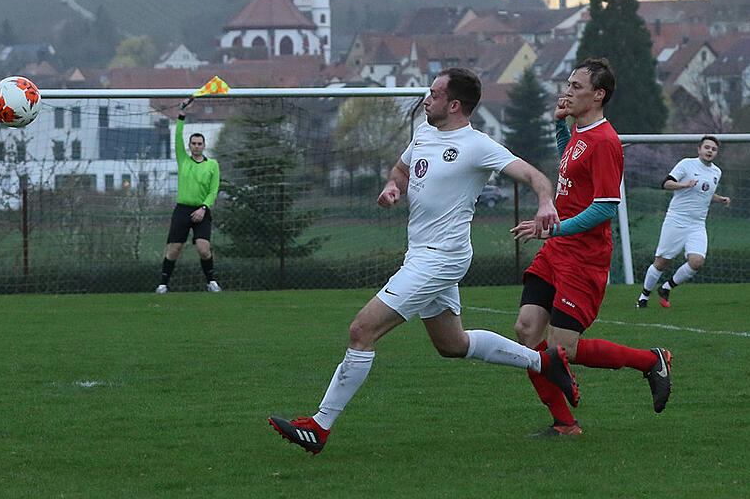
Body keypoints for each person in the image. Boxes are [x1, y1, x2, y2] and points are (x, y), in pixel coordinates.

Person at [268, 67, 577, 455]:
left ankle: (319, 426)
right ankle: (543, 362)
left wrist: (546, 202)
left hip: (441, 258)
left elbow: (536, 176)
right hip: (421, 253)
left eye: (433, 94)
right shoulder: (424, 133)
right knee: (452, 344)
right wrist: (392, 186)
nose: (426, 99)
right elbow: (400, 169)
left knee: (362, 330)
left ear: (454, 104)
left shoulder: (477, 145)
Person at [511, 58, 672, 438]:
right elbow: (569, 163)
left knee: (561, 347)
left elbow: (603, 209)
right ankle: (565, 424)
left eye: (576, 87)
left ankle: (651, 360)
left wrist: (553, 229)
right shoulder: (580, 133)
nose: (567, 91)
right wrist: (557, 125)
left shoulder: (605, 142)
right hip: (558, 249)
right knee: (526, 332)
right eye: (567, 84)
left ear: (598, 95)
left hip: (584, 257)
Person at [637, 136, 731, 308]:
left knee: (697, 261)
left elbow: (706, 194)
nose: (710, 151)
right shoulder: (687, 164)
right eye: (707, 147)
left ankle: (666, 287)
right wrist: (684, 185)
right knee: (662, 262)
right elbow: (666, 183)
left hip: (698, 224)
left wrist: (720, 199)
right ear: (699, 149)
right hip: (676, 220)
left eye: (713, 149)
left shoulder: (717, 172)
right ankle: (644, 296)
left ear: (716, 153)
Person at [155, 97, 222, 293]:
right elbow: (177, 135)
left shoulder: (212, 165)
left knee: (203, 249)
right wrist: (182, 113)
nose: (196, 146)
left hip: (202, 211)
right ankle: (163, 284)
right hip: (182, 211)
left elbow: (213, 190)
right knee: (174, 250)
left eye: (199, 143)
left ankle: (211, 282)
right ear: (190, 146)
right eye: (193, 143)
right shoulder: (183, 160)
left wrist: (204, 208)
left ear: (204, 145)